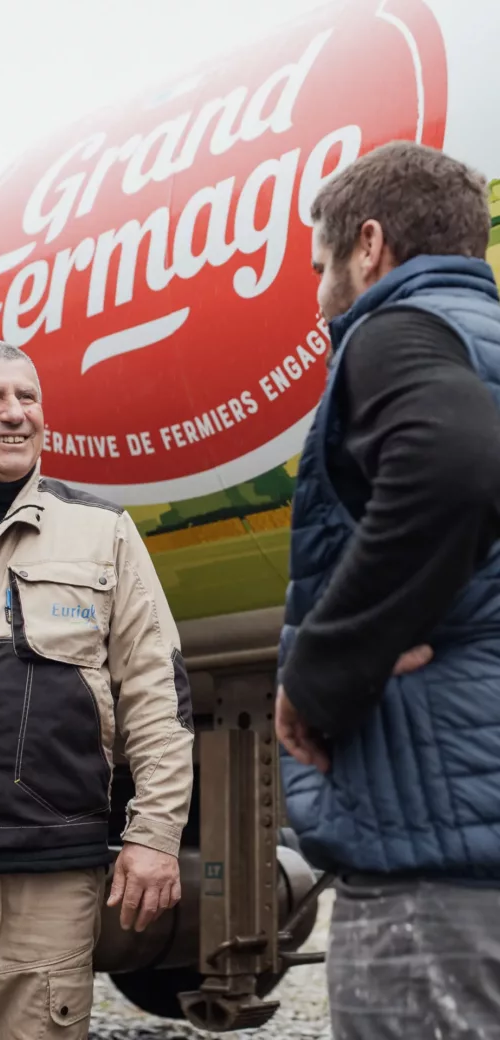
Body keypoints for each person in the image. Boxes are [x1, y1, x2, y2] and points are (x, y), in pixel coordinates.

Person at [275, 141, 500, 1039]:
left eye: (324, 263)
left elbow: (452, 467)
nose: (321, 289)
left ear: (370, 247)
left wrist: (332, 664)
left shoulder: (398, 329)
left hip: (435, 849)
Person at [0, 339, 194, 1039]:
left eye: (28, 397)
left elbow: (156, 692)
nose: (15, 414)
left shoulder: (101, 531)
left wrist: (157, 836)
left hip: (50, 878)